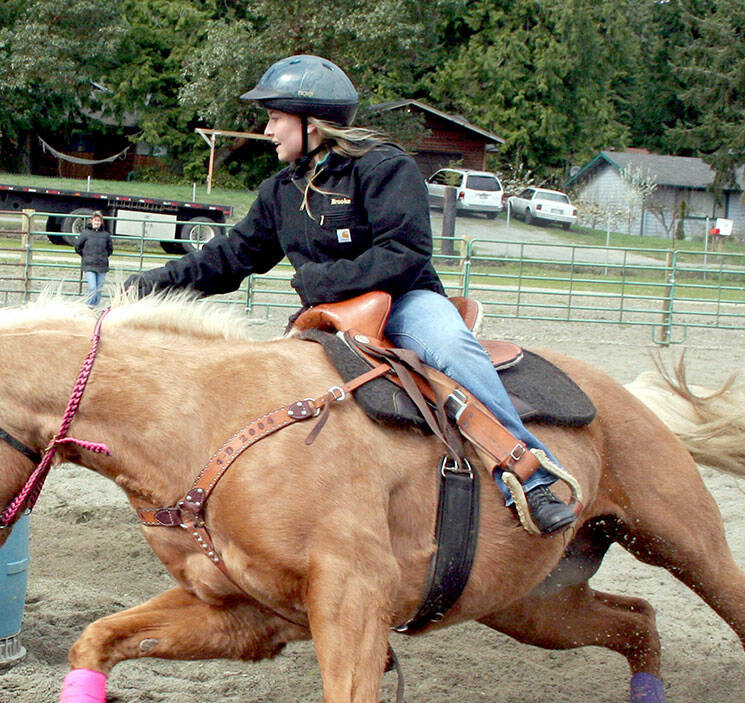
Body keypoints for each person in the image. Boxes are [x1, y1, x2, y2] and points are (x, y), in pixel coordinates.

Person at [130, 55, 576, 535]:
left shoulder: (384, 168)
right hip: (326, 319)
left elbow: (405, 251)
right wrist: (145, 287)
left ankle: (529, 474)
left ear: (312, 123)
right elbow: (230, 257)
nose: (268, 129)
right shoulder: (280, 191)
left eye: (276, 118)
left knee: (451, 348)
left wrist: (321, 283)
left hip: (405, 301)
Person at [75, 211, 113, 307]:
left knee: (99, 289)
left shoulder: (106, 235)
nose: (97, 222)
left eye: (99, 221)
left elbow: (110, 249)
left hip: (102, 265)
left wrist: (103, 257)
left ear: (101, 222)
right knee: (92, 288)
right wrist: (86, 256)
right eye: (95, 220)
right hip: (89, 265)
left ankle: (95, 307)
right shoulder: (85, 233)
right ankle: (89, 307)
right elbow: (78, 247)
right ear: (91, 221)